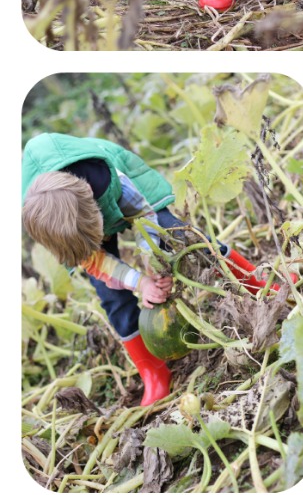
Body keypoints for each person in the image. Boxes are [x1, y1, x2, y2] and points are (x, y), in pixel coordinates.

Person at [22, 131, 276, 407]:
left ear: (96, 211)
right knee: (111, 297)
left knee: (182, 237)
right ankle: (153, 372)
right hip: (72, 219)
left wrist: (151, 259)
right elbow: (95, 262)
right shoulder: (46, 223)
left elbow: (144, 215)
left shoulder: (105, 178)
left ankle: (259, 286)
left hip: (121, 196)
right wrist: (140, 283)